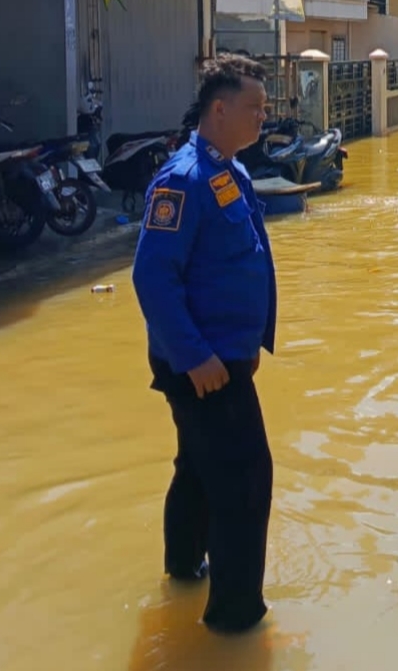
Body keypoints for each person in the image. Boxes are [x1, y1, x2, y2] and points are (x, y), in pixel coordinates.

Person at [131, 53, 279, 634]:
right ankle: (236, 622)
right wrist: (194, 356)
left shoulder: (229, 170)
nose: (262, 119)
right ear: (220, 109)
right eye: (254, 109)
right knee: (246, 481)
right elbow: (152, 277)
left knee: (198, 468)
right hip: (204, 367)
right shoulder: (183, 179)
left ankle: (184, 571)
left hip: (223, 359)